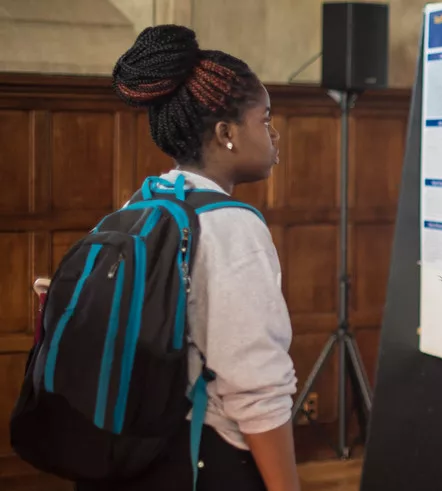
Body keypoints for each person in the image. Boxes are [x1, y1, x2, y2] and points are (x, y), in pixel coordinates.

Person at [76, 25, 300, 491]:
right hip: (203, 458)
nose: (274, 135)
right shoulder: (232, 225)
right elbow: (257, 389)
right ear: (226, 133)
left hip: (130, 453)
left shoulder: (138, 207)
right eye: (265, 119)